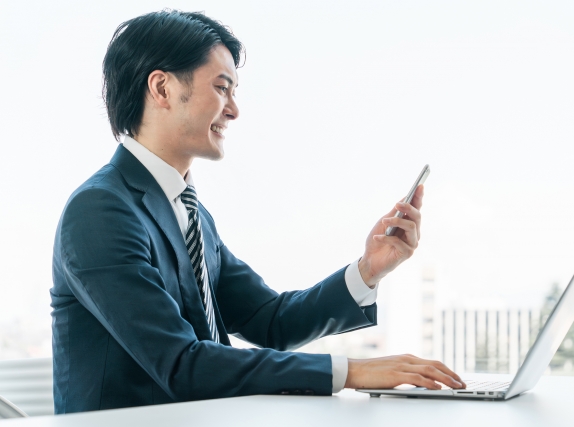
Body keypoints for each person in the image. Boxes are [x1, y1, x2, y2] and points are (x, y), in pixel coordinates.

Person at [50, 10, 465, 414]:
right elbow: (180, 363)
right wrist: (352, 371)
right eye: (221, 87)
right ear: (161, 89)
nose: (233, 109)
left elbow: (270, 321)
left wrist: (368, 269)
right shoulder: (100, 211)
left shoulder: (190, 214)